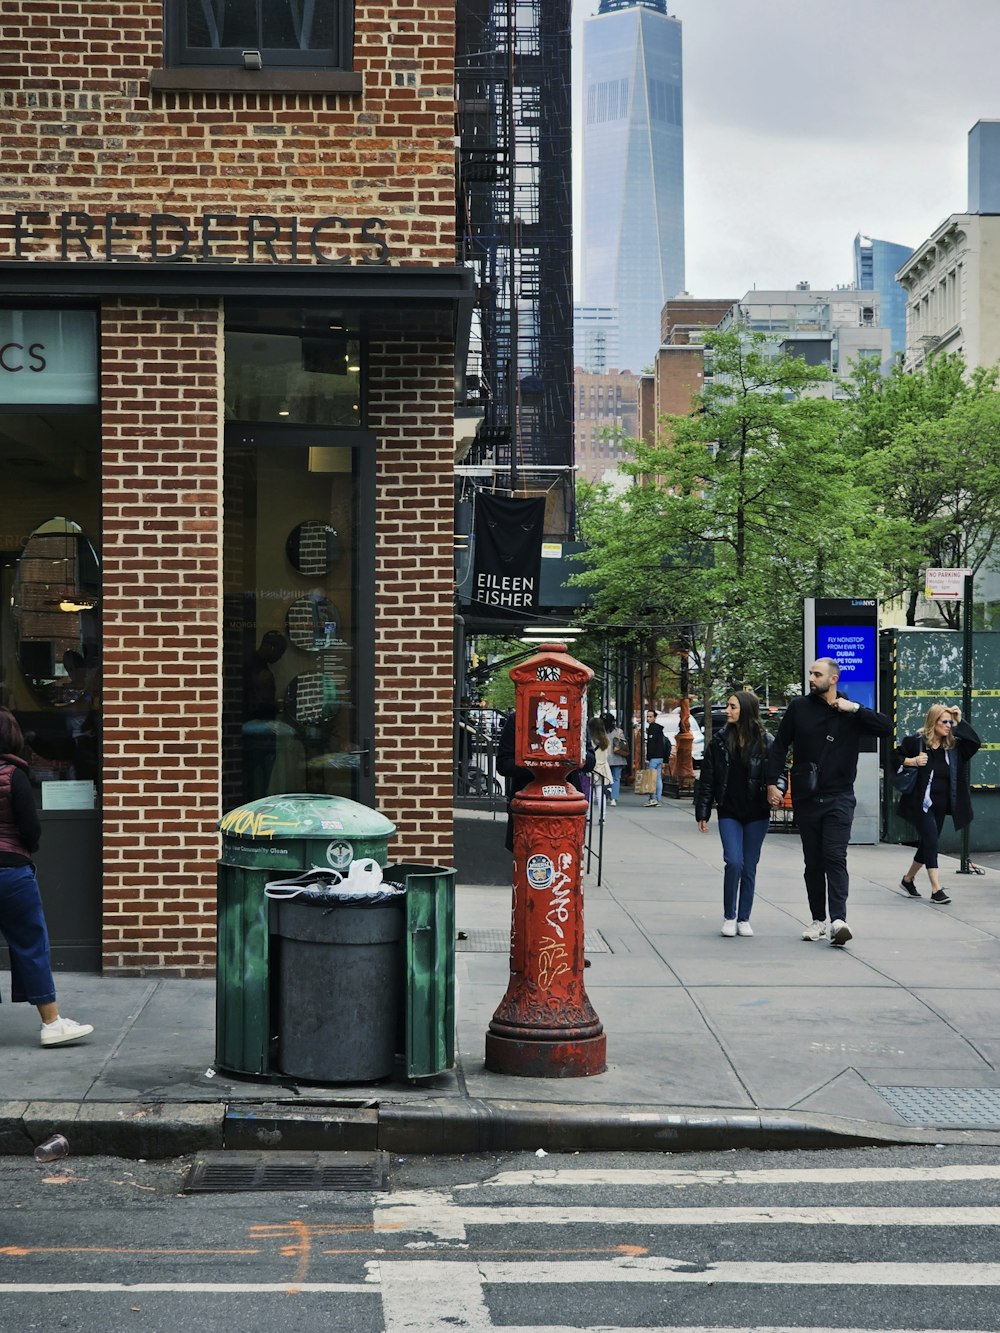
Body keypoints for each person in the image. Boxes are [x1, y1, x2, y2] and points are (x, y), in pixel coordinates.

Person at [766, 658, 891, 948]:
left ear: (833, 679)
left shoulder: (850, 711)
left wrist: (856, 709)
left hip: (840, 797)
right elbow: (779, 745)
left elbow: (886, 727)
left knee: (835, 857)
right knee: (813, 862)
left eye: (817, 674)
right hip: (807, 797)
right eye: (811, 673)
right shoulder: (799, 708)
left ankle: (838, 921)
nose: (811, 678)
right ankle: (818, 920)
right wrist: (772, 781)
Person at [0, 708, 93, 1047]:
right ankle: (52, 1023)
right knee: (30, 945)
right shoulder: (14, 775)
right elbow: (30, 828)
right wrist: (29, 847)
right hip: (11, 872)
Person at [695, 691, 781, 938]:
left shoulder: (766, 741)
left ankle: (744, 918)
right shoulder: (720, 741)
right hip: (729, 810)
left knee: (749, 866)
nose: (728, 711)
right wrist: (703, 811)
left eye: (732, 706)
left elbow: (777, 773)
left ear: (745, 709)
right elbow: (708, 779)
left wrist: (777, 790)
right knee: (733, 862)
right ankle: (729, 916)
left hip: (757, 812)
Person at [894, 703, 981, 904]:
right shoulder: (916, 742)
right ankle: (936, 889)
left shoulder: (953, 747)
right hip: (920, 803)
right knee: (932, 841)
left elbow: (974, 743)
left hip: (942, 804)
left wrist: (961, 720)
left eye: (951, 722)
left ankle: (908, 880)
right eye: (945, 722)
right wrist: (913, 761)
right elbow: (894, 757)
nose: (949, 726)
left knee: (927, 845)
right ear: (934, 722)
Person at [496, 711, 595, 852]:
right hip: (529, 804)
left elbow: (590, 761)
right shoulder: (519, 718)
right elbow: (503, 764)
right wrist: (543, 765)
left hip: (565, 806)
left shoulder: (575, 718)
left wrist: (572, 754)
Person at [644, 710, 670, 808]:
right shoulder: (659, 729)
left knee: (651, 778)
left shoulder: (652, 729)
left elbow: (651, 745)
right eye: (647, 716)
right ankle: (658, 799)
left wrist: (648, 758)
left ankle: (653, 798)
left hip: (654, 757)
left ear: (655, 717)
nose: (648, 718)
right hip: (660, 757)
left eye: (650, 717)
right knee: (658, 778)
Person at [588, 717, 614, 812]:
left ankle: (588, 816)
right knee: (600, 794)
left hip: (591, 768)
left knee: (589, 794)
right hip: (603, 769)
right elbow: (608, 755)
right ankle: (602, 817)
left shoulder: (590, 741)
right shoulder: (607, 740)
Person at [604, 713, 628, 805]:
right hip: (617, 758)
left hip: (605, 758)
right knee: (616, 778)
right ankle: (613, 798)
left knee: (605, 778)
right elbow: (623, 743)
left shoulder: (602, 732)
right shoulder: (618, 731)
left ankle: (606, 795)